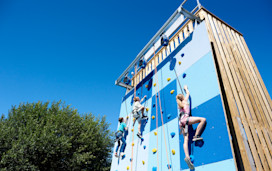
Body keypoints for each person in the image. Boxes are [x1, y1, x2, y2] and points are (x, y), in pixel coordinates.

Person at [176, 85, 206, 170]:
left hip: (181, 122)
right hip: (186, 119)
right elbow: (188, 94)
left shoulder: (180, 105)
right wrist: (185, 88)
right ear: (182, 97)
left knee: (186, 140)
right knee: (202, 120)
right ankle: (196, 136)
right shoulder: (185, 101)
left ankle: (187, 157)